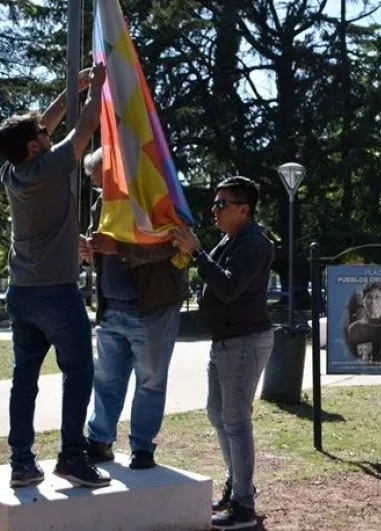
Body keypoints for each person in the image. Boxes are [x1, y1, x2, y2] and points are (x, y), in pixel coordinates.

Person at [0, 63, 110, 489]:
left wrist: (68, 93)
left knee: (24, 379)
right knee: (79, 373)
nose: (47, 132)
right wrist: (96, 87)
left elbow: (43, 125)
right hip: (57, 295)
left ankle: (22, 463)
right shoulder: (53, 167)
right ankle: (72, 458)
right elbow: (88, 125)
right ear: (35, 147)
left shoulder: (12, 171)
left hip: (21, 293)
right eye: (41, 134)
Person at [171, 176, 274, 530]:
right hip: (226, 340)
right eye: (215, 203)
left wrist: (198, 253)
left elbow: (229, 287)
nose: (214, 209)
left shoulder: (253, 243)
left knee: (236, 420)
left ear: (244, 210)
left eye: (222, 204)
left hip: (244, 341)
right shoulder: (231, 239)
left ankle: (243, 505)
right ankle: (238, 487)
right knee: (218, 414)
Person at [77, 148, 187, 470]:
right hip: (111, 310)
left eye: (104, 184)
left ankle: (142, 447)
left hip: (152, 310)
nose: (101, 192)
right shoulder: (101, 205)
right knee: (107, 380)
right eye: (97, 186)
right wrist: (90, 252)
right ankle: (100, 440)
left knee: (150, 382)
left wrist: (119, 248)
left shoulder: (153, 198)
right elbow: (102, 251)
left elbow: (174, 245)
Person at [346, 284, 381, 361]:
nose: (373, 301)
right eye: (369, 297)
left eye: (377, 297)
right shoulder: (354, 328)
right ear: (363, 302)